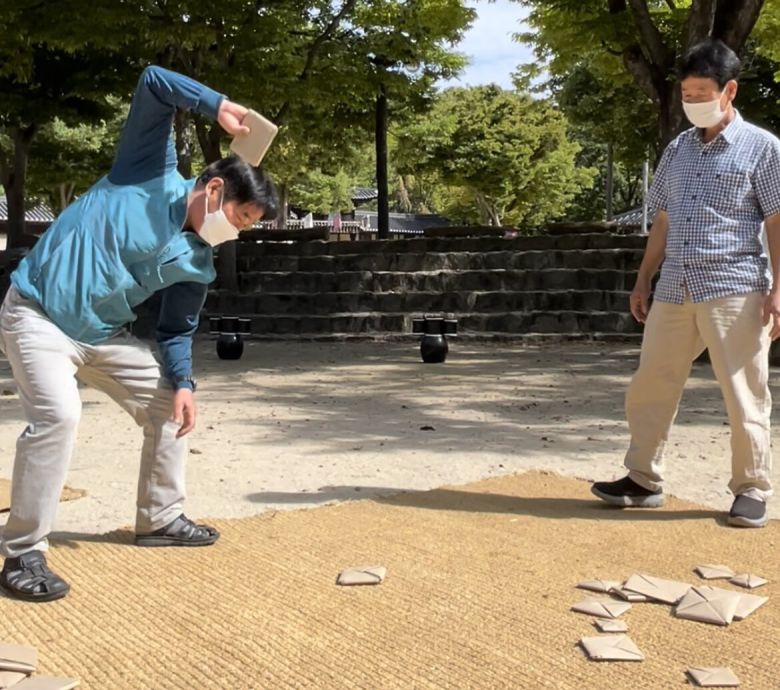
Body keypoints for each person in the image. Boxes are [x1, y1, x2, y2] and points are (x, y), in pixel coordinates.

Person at [0, 65, 278, 602]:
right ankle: (23, 551)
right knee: (59, 415)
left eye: (246, 226)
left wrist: (184, 383)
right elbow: (153, 82)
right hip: (37, 315)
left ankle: (161, 518)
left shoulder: (200, 261)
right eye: (240, 217)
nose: (237, 231)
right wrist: (216, 104)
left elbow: (176, 329)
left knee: (169, 406)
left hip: (102, 335)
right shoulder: (147, 170)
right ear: (214, 189)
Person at [591, 38, 780, 528]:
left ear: (729, 90)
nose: (692, 101)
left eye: (701, 92)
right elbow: (663, 219)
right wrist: (643, 279)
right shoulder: (676, 149)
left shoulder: (763, 148)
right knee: (651, 383)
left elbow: (777, 221)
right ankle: (642, 478)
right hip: (675, 285)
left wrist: (779, 289)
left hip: (736, 284)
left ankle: (752, 488)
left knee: (744, 391)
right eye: (686, 93)